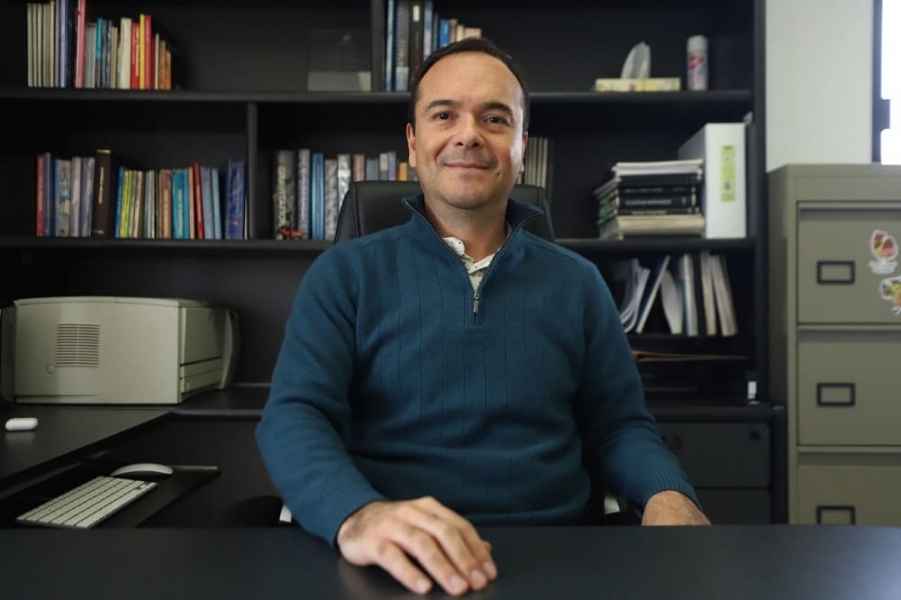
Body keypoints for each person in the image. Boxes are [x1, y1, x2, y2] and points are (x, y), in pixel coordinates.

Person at [257, 38, 710, 597]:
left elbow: (620, 426)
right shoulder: (343, 275)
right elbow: (294, 417)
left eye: (494, 118)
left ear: (521, 145)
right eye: (444, 115)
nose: (468, 134)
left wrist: (668, 494)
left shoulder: (578, 283)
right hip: (392, 559)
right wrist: (358, 515)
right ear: (413, 141)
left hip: (557, 555)